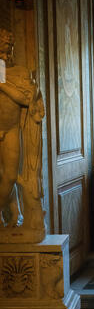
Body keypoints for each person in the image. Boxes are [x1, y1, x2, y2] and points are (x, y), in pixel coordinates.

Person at [0, 28, 35, 227]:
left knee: (11, 176)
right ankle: (13, 215)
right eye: (5, 44)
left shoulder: (18, 72)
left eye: (10, 45)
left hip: (12, 128)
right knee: (1, 176)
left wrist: (2, 83)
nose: (9, 48)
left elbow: (25, 98)